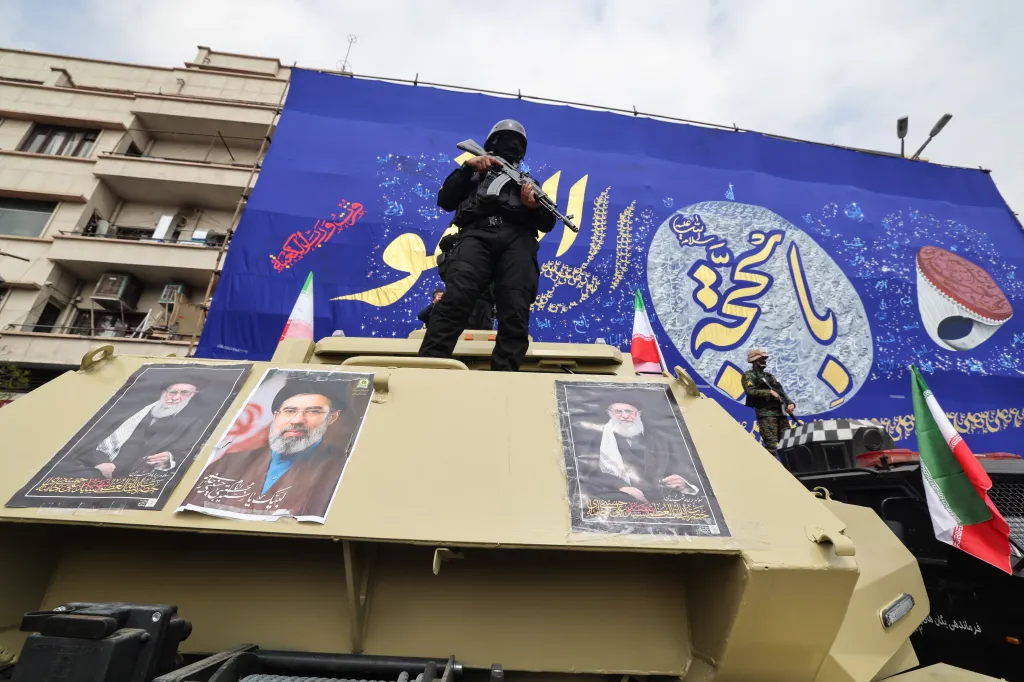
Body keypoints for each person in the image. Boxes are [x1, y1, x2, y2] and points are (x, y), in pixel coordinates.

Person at [417, 119, 556, 370]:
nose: (510, 145)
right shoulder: (473, 173)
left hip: (518, 241)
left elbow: (548, 223)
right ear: (492, 144)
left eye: (515, 142)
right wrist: (467, 168)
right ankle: (429, 367)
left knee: (515, 308)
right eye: (505, 140)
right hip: (476, 235)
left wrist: (533, 205)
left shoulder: (529, 182)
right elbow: (445, 200)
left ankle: (504, 378)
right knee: (456, 298)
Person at [182, 380, 350, 518]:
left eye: (312, 411)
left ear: (332, 418)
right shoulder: (227, 463)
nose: (297, 420)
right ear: (276, 416)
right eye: (289, 411)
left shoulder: (342, 468)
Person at [55, 374, 208, 479]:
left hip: (137, 475)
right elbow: (93, 441)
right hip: (96, 468)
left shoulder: (196, 421)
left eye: (184, 393)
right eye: (173, 392)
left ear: (193, 395)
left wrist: (170, 458)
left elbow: (192, 450)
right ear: (164, 393)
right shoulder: (135, 412)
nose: (175, 398)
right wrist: (101, 462)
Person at [577, 400, 699, 504]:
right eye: (618, 412)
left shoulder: (658, 439)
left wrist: (681, 481)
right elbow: (588, 472)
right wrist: (621, 486)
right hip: (615, 496)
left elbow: (679, 466)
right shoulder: (598, 439)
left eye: (629, 411)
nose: (624, 416)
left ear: (638, 414)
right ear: (610, 414)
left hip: (660, 500)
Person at [741, 349, 796, 454]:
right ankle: (772, 469)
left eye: (764, 359)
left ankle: (791, 469)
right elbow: (750, 391)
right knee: (771, 445)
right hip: (766, 414)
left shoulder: (769, 376)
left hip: (780, 412)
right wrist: (769, 392)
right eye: (761, 359)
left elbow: (781, 392)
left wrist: (790, 403)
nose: (764, 361)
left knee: (789, 442)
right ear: (755, 361)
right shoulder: (749, 375)